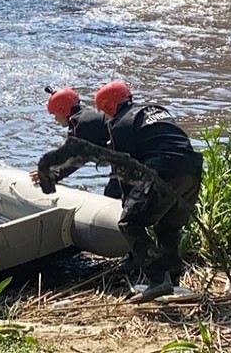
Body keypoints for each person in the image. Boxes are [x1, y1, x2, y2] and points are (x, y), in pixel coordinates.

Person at [95, 81, 203, 302]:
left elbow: (123, 171)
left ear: (107, 108)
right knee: (168, 226)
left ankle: (157, 279)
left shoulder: (120, 125)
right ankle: (172, 280)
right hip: (192, 168)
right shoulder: (153, 111)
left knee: (130, 223)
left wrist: (126, 205)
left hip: (163, 170)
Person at [29, 86, 122, 198]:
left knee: (112, 194)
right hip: (128, 153)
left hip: (129, 156)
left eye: (54, 114)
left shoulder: (80, 125)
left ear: (62, 111)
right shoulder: (85, 118)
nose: (55, 119)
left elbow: (75, 160)